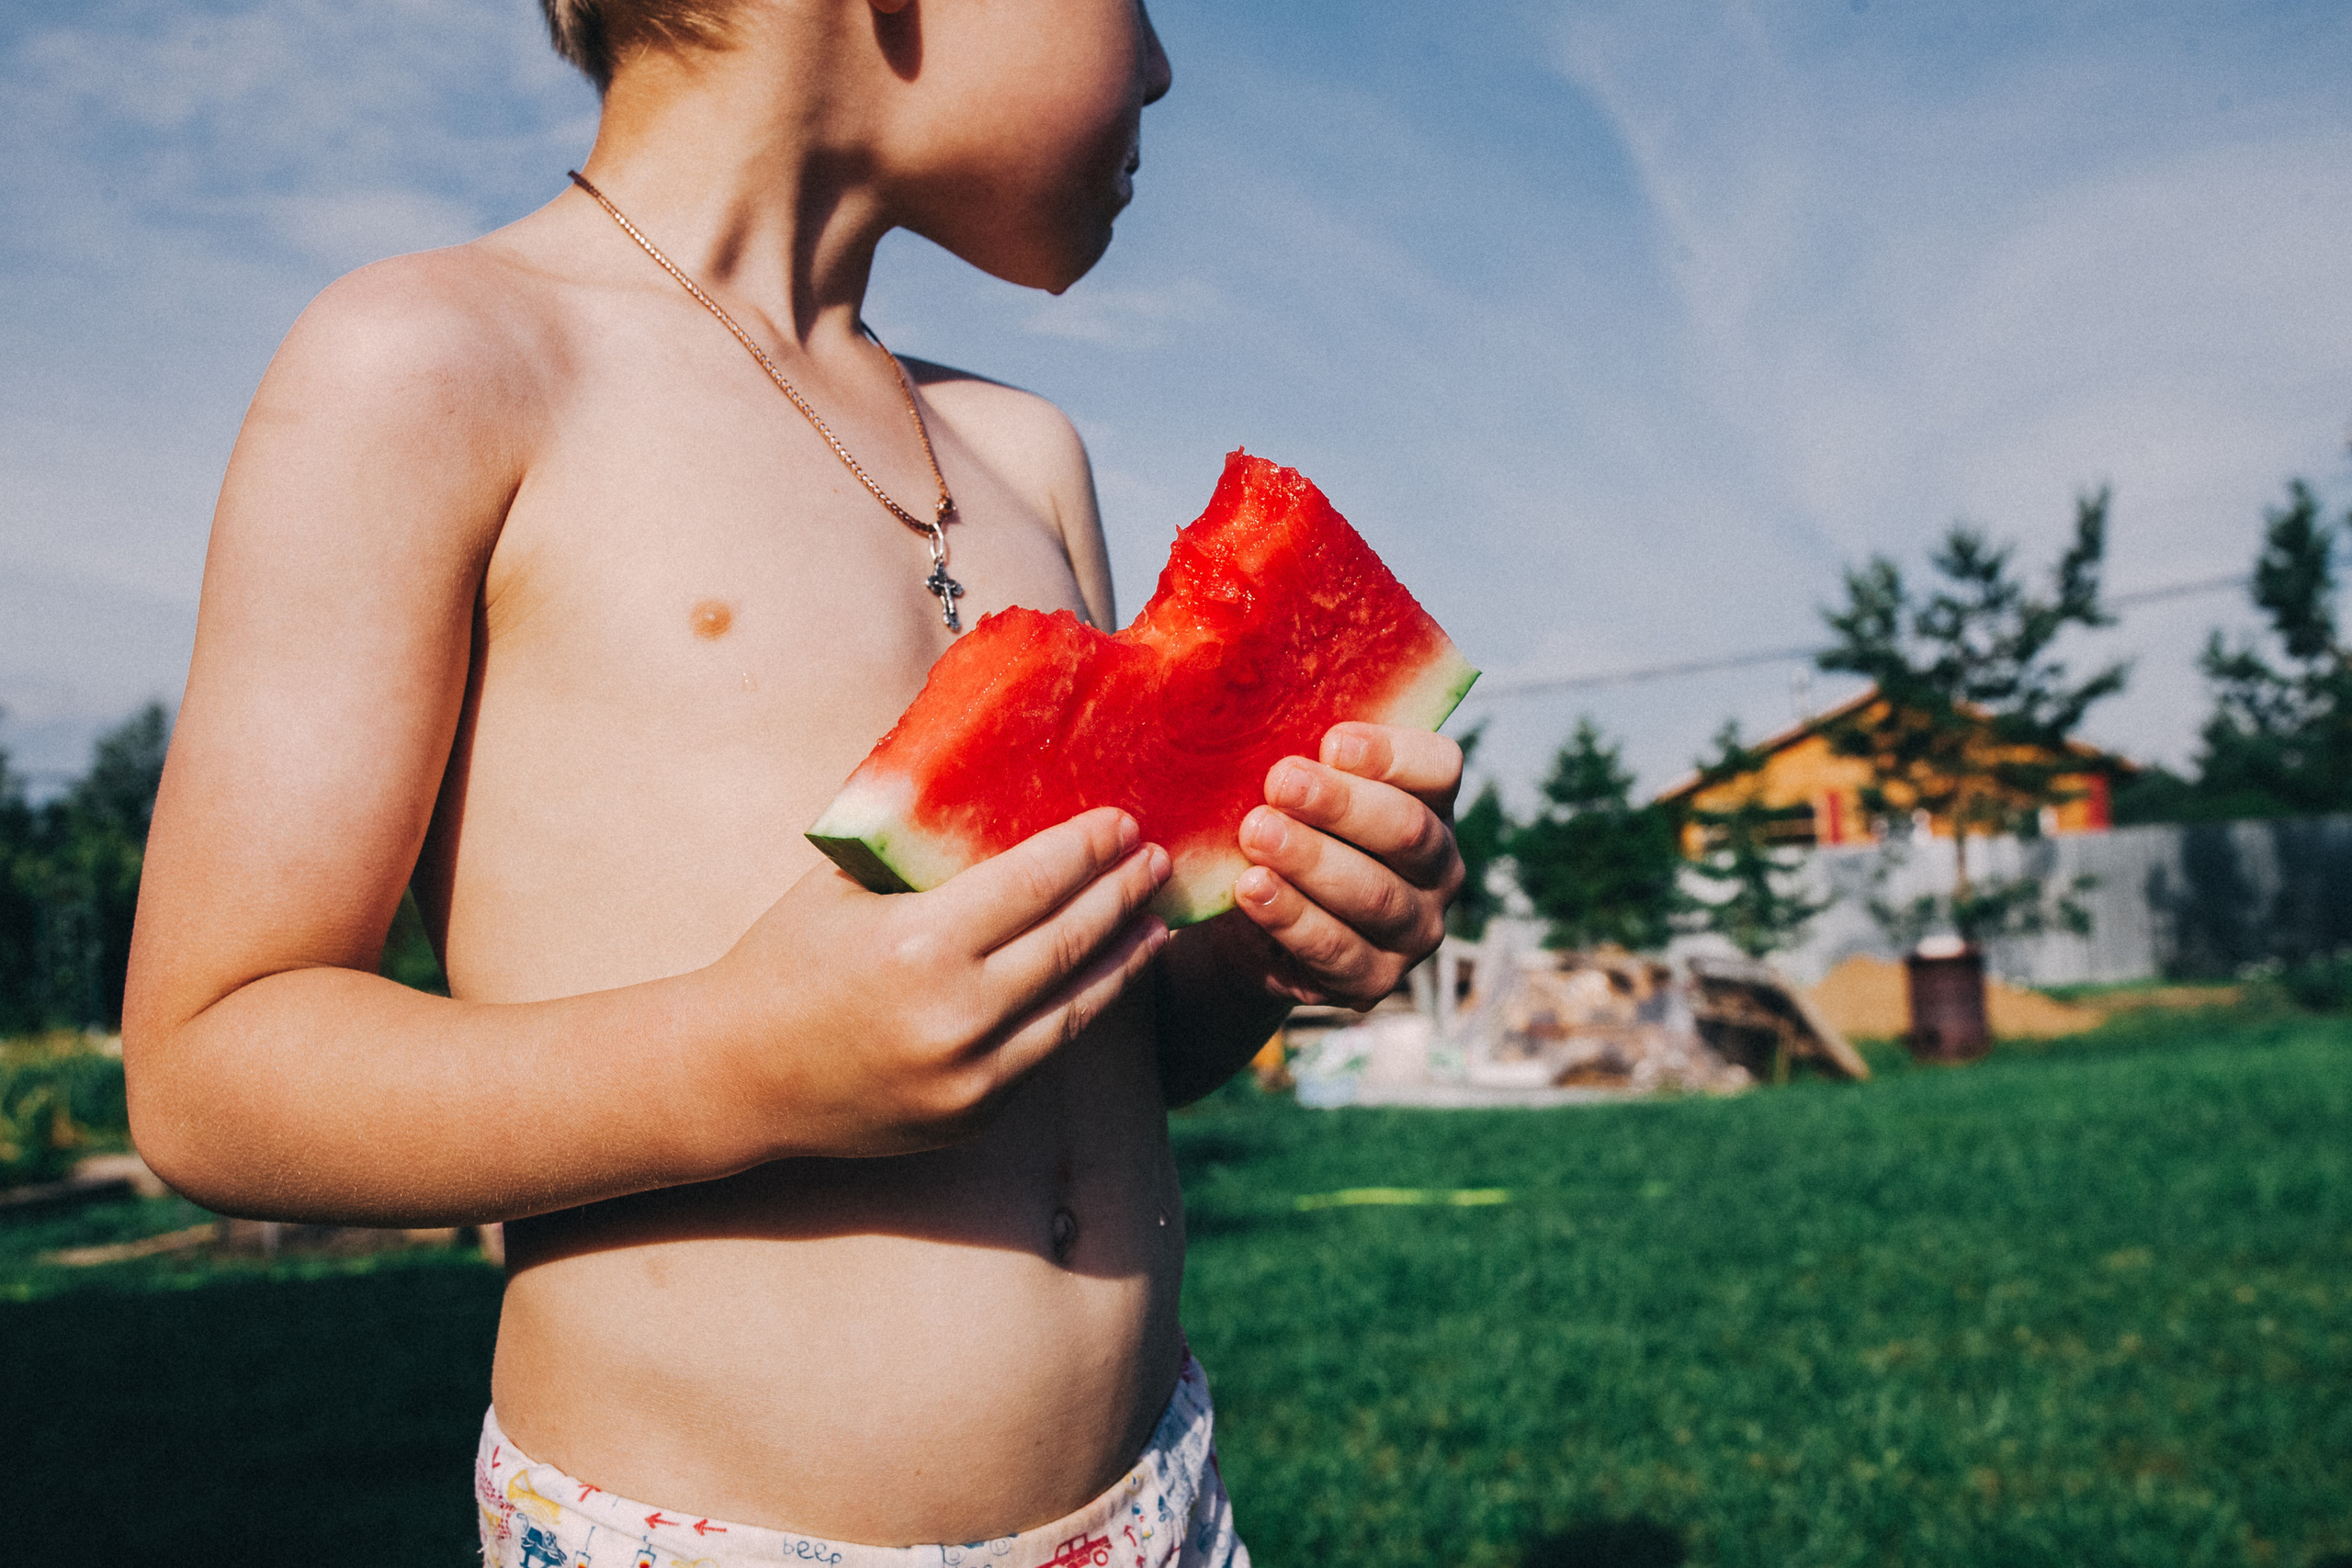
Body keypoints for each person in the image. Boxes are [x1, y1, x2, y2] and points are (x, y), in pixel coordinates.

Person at [121, 0, 1464, 1562]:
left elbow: (1099, 1045)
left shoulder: (1027, 453)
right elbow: (208, 1070)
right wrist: (734, 1057)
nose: (1162, 62)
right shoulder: (442, 361)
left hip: (1158, 1494)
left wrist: (1253, 955)